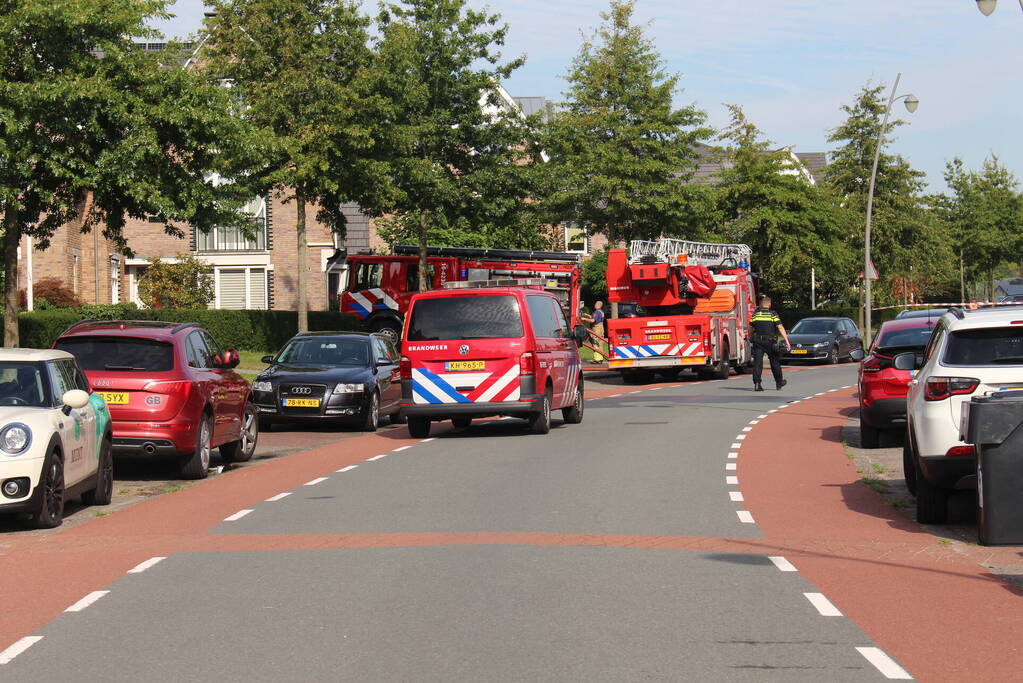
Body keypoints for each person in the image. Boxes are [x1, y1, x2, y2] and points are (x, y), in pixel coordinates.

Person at [749, 295, 791, 392]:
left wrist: (750, 337)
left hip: (758, 341)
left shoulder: (756, 314)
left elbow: (751, 327)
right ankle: (779, 383)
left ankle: (757, 384)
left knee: (758, 363)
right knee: (774, 362)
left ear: (761, 304)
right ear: (769, 304)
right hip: (770, 341)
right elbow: (780, 327)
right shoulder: (773, 314)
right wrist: (787, 341)